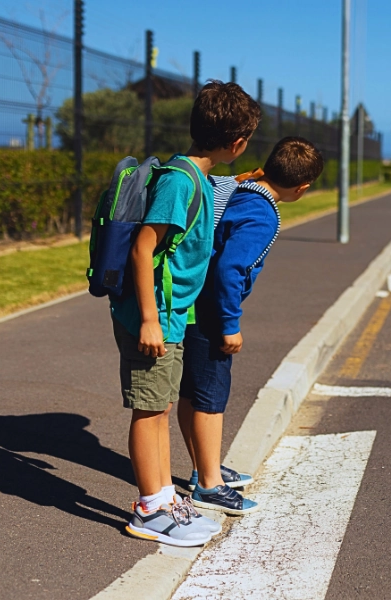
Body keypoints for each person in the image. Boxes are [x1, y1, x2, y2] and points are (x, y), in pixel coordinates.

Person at [111, 81, 261, 546]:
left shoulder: (195, 175)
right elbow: (143, 248)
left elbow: (205, 194)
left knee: (160, 407)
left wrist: (237, 182)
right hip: (154, 317)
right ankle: (150, 508)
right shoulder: (181, 182)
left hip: (172, 317)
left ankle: (162, 499)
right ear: (236, 143)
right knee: (148, 410)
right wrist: (151, 319)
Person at [177, 136, 325, 515]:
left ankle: (202, 468)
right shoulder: (263, 213)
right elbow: (230, 268)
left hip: (194, 303)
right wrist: (230, 324)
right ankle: (209, 486)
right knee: (211, 398)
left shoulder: (244, 189)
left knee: (193, 394)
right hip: (212, 312)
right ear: (302, 188)